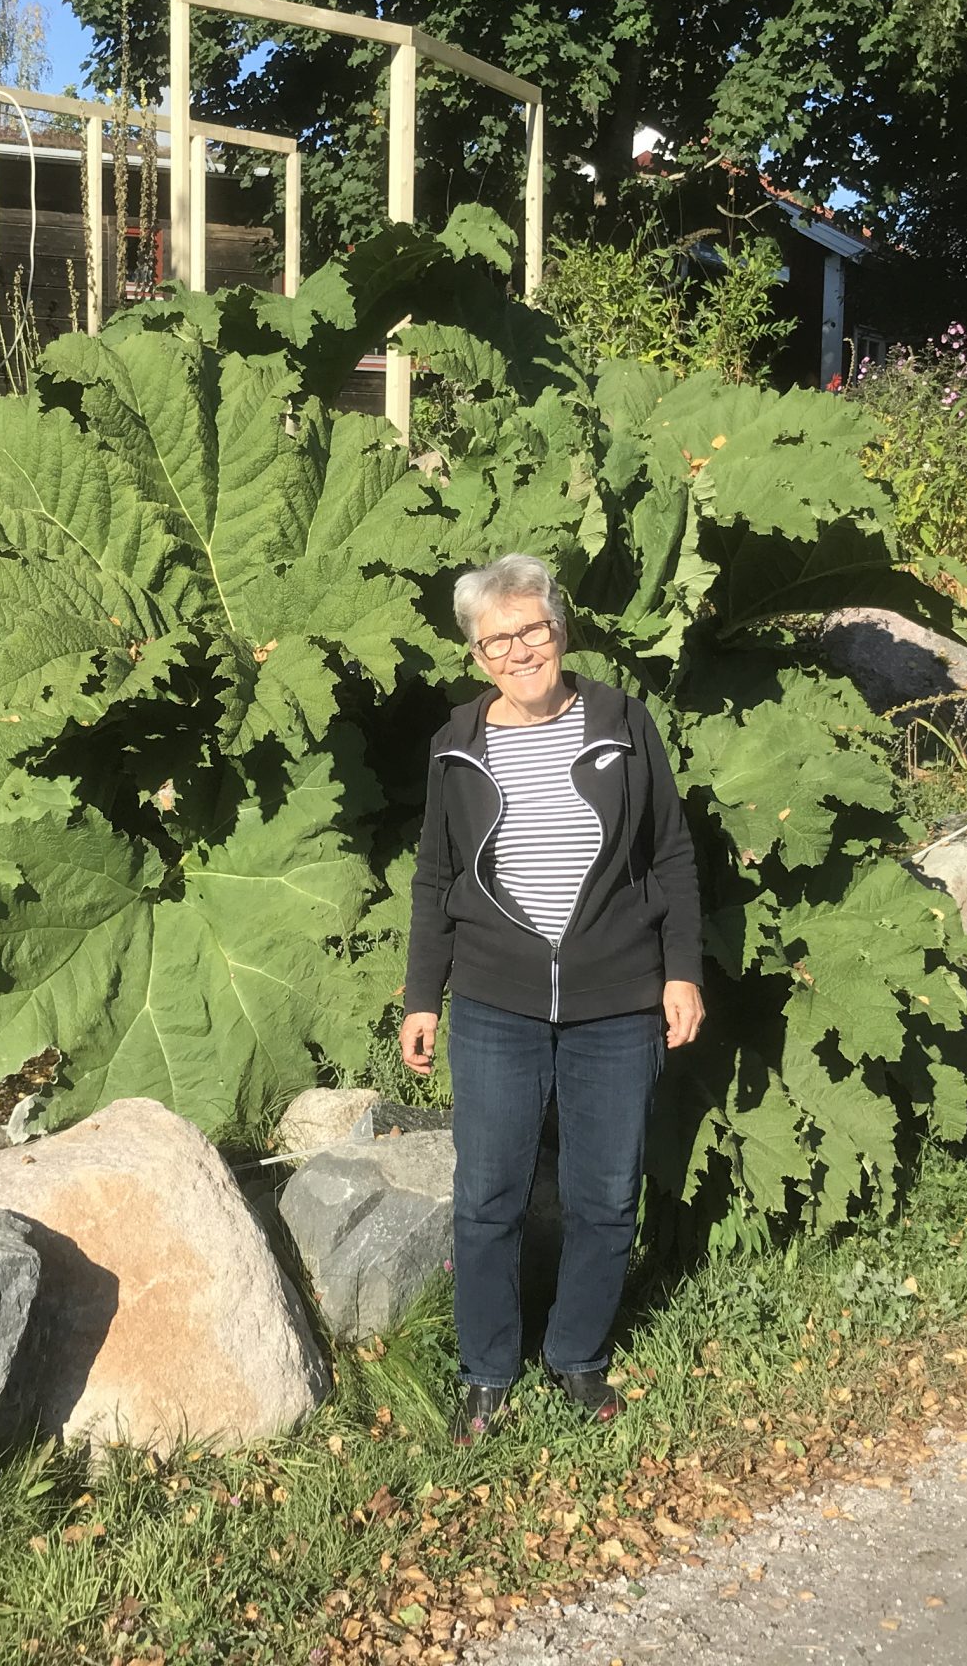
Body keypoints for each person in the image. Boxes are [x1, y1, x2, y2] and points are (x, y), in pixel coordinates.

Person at [401, 553, 704, 1446]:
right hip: (495, 999)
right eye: (497, 641)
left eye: (532, 629)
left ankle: (577, 1355)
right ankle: (487, 1372)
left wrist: (681, 969)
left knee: (605, 1194)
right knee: (487, 1195)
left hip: (618, 996)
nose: (520, 651)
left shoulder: (621, 723)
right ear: (476, 655)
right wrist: (423, 996)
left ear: (560, 629)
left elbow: (672, 853)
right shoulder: (456, 744)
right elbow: (436, 875)